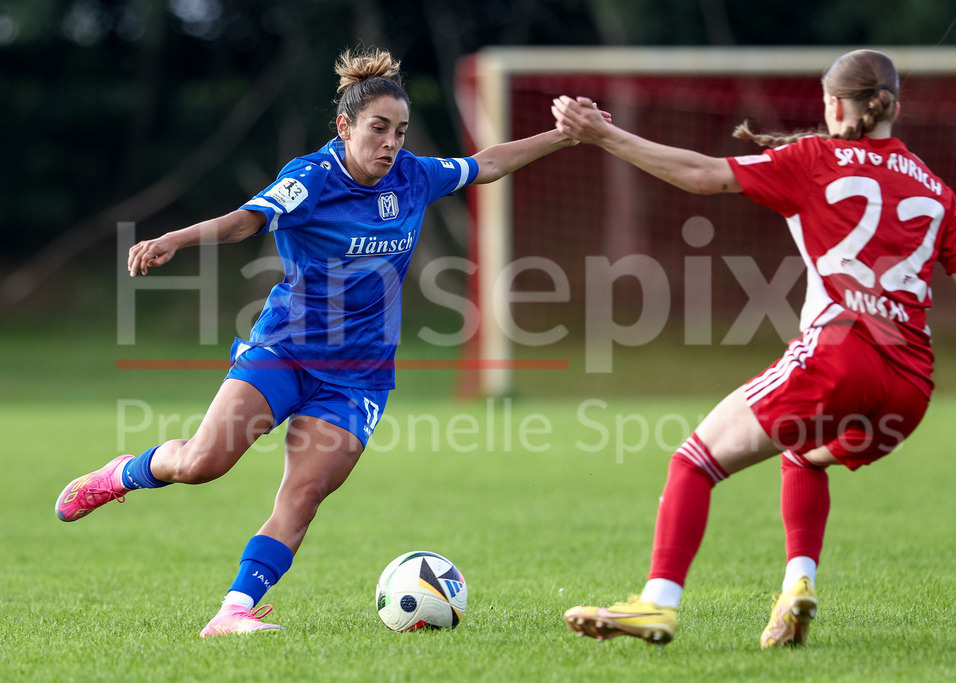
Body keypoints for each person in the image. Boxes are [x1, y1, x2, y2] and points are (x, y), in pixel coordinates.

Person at [55, 46, 606, 637]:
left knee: (305, 491)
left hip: (359, 375)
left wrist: (563, 136)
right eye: (378, 128)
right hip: (285, 352)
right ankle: (121, 474)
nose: (391, 142)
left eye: (400, 131)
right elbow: (246, 220)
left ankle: (233, 610)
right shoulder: (311, 179)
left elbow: (486, 163)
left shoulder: (413, 177)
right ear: (344, 127)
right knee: (200, 463)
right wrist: (176, 240)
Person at [551, 49, 956, 649]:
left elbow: (701, 175)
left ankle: (656, 604)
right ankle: (797, 588)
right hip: (911, 389)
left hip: (840, 355)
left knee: (693, 460)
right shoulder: (936, 188)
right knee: (803, 455)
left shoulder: (815, 158)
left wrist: (603, 134)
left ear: (837, 105)